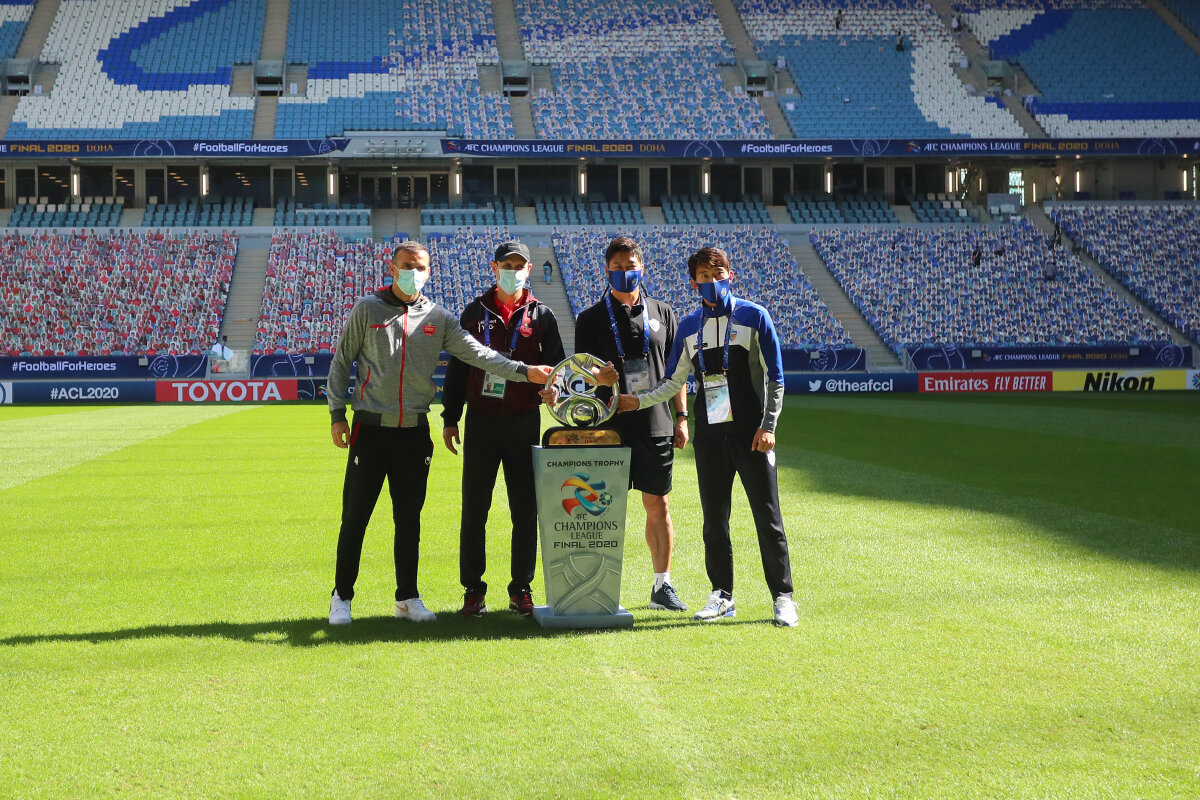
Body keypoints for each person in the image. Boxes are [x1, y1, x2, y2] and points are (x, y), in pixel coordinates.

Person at [325, 240, 552, 626]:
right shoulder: (367, 308)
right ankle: (342, 596)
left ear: (429, 272)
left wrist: (524, 371)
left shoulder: (439, 317)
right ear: (392, 268)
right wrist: (337, 413)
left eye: (421, 267)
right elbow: (341, 360)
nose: (413, 273)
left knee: (409, 520)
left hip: (414, 432)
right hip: (370, 428)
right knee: (356, 517)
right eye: (407, 265)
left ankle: (407, 597)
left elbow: (479, 354)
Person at [617, 246, 797, 628]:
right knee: (714, 521)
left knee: (768, 518)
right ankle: (722, 595)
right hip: (711, 437)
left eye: (718, 274)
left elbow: (776, 377)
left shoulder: (755, 317)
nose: (712, 281)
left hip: (753, 435)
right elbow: (672, 382)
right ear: (693, 282)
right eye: (703, 276)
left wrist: (768, 426)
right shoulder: (687, 327)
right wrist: (638, 401)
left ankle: (783, 598)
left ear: (731, 275)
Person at [441, 241, 565, 617]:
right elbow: (458, 368)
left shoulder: (542, 315)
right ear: (494, 268)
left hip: (524, 420)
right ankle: (473, 590)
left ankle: (520, 588)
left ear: (528, 269)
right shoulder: (473, 312)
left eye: (519, 265)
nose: (513, 271)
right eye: (507, 265)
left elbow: (557, 367)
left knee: (525, 509)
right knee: (474, 509)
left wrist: (554, 390)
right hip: (481, 420)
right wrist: (450, 417)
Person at [570, 236, 690, 612]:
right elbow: (581, 378)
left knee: (658, 505)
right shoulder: (590, 318)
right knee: (601, 509)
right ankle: (597, 587)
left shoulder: (664, 313)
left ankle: (662, 586)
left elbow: (678, 373)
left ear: (643, 268)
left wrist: (682, 417)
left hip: (656, 423)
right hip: (608, 427)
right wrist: (599, 380)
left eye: (631, 266)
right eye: (618, 267)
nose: (625, 272)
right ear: (607, 270)